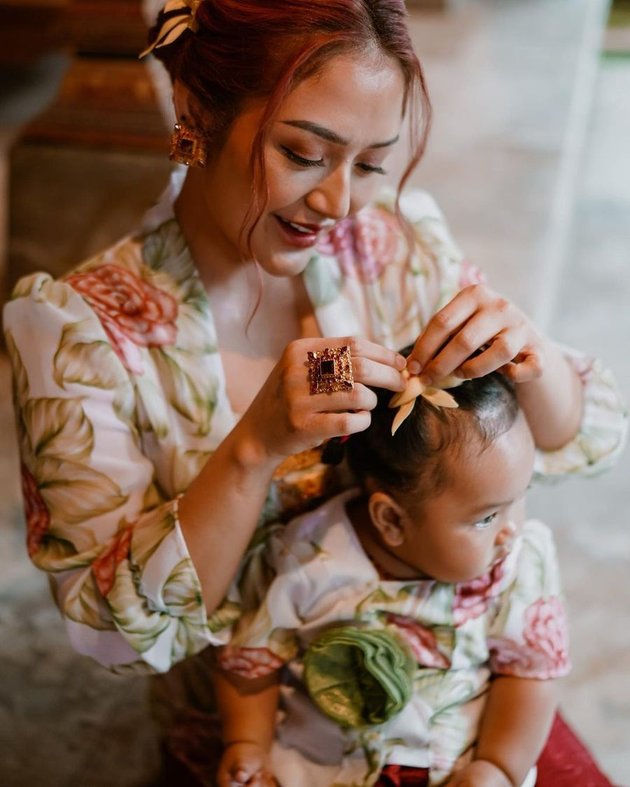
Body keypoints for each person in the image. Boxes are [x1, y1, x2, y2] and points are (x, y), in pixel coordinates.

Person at [1, 0, 626, 782]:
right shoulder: (81, 338)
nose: (337, 202)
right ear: (197, 111)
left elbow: (593, 439)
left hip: (456, 704)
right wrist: (252, 449)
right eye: (302, 153)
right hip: (255, 736)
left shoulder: (393, 253)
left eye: (370, 165)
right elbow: (113, 635)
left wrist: (535, 361)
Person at [213, 371, 568, 787]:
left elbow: (529, 671)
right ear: (392, 520)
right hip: (320, 771)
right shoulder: (306, 556)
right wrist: (247, 745)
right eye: (487, 517)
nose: (511, 528)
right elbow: (251, 659)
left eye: (522, 494)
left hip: (455, 771)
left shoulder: (518, 564)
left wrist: (498, 767)